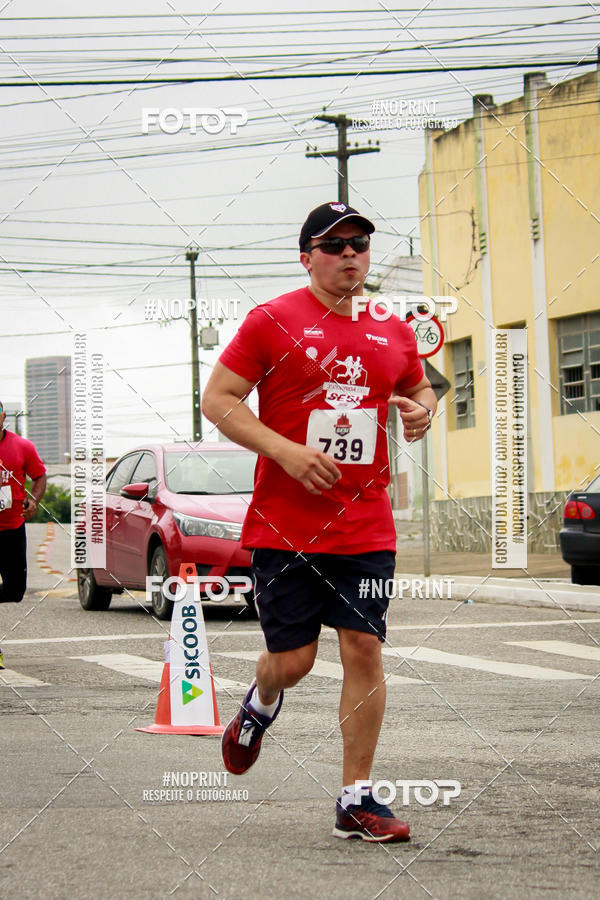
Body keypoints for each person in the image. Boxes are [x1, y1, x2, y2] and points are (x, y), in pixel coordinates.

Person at [202, 201, 437, 842]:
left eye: (360, 243)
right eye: (334, 245)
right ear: (307, 256)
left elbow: (418, 387)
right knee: (294, 660)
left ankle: (356, 798)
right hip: (285, 527)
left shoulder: (392, 326)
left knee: (363, 647)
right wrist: (285, 451)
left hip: (365, 524)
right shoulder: (271, 321)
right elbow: (217, 400)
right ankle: (260, 702)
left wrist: (423, 409)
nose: (350, 255)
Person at [0, 401, 47, 668]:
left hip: (12, 528)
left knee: (16, 591)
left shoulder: (22, 446)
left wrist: (34, 500)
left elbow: (39, 476)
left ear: (3, 416)